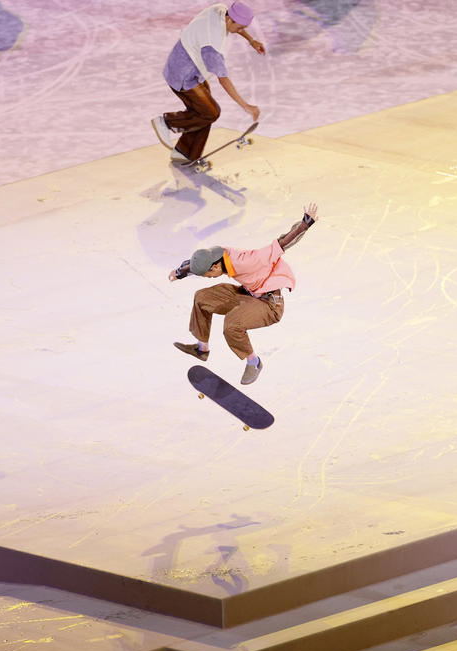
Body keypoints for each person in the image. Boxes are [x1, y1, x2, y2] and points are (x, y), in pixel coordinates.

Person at [169, 203, 318, 385]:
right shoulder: (218, 256)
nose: (208, 278)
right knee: (202, 297)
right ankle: (202, 349)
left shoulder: (248, 261)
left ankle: (254, 362)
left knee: (232, 324)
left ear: (215, 267)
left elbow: (282, 243)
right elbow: (195, 265)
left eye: (208, 275)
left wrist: (304, 225)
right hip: (247, 294)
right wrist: (180, 272)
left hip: (269, 305)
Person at [152, 2, 264, 162]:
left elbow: (236, 26)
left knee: (204, 111)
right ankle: (166, 122)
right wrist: (245, 105)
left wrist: (251, 39)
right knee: (210, 112)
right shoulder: (212, 44)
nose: (239, 31)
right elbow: (223, 79)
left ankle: (185, 152)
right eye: (239, 28)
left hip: (188, 66)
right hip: (183, 75)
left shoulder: (220, 10)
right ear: (229, 21)